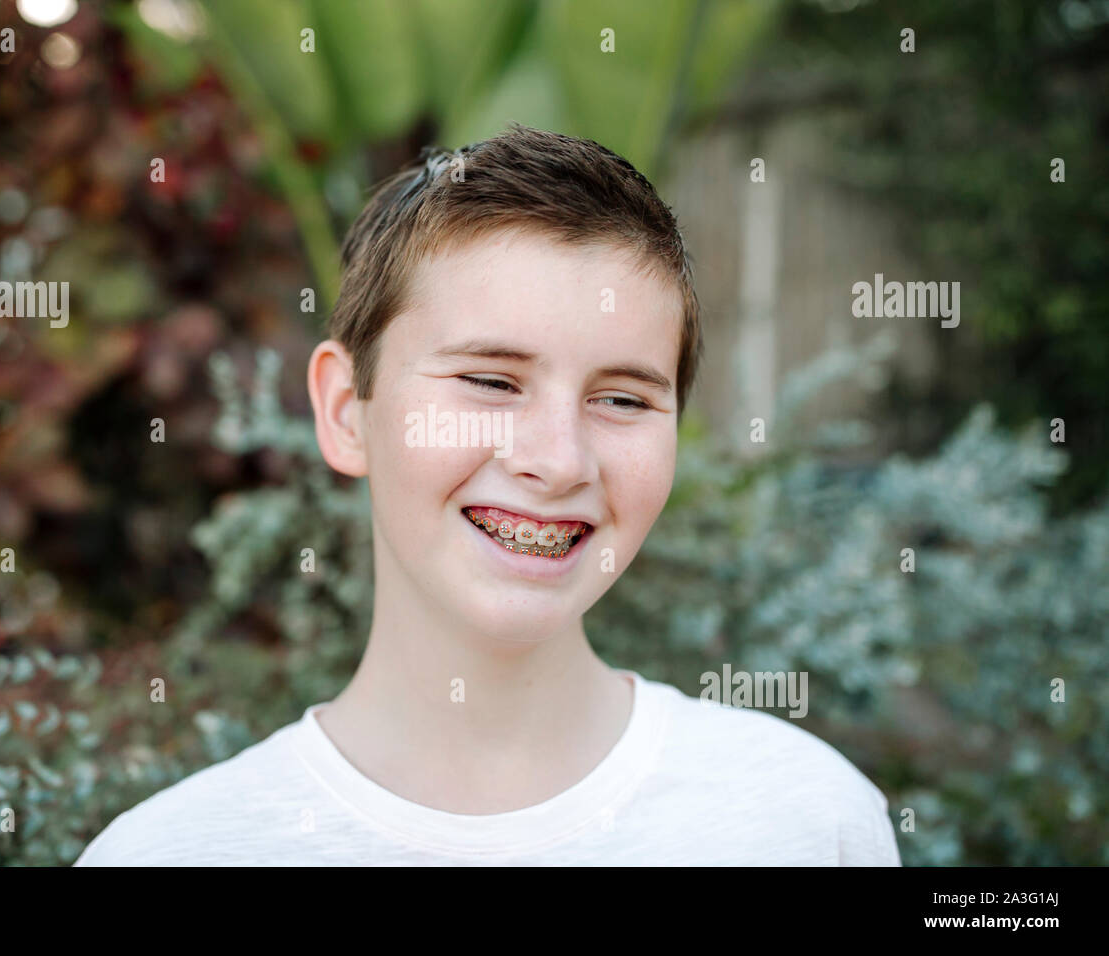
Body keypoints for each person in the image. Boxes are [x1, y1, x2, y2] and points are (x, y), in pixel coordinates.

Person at [75, 124, 901, 866]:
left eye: (622, 398)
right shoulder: (169, 855)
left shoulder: (806, 823)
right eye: (489, 380)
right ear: (343, 412)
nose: (558, 460)